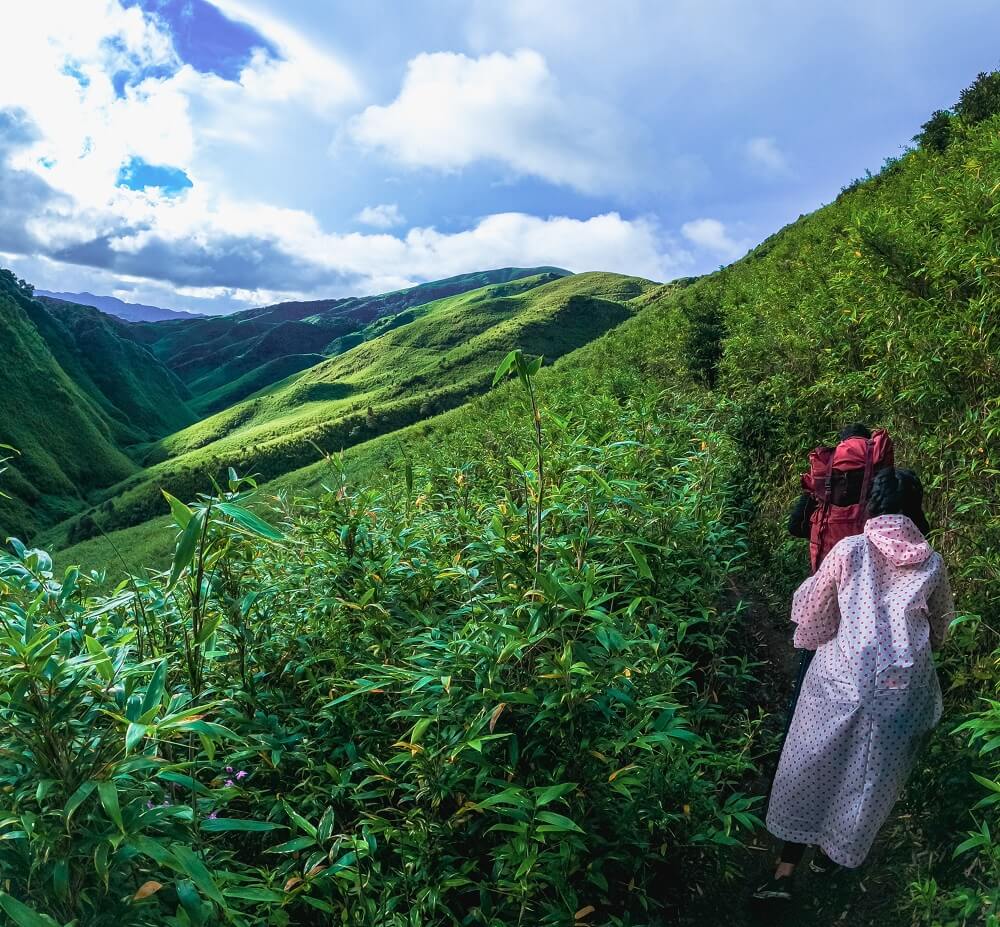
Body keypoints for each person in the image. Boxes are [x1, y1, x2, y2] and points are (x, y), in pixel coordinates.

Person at [755, 468, 954, 901]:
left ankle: (785, 871)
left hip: (840, 682)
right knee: (870, 777)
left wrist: (815, 638)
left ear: (873, 503)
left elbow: (813, 612)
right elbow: (942, 631)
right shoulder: (933, 562)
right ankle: (836, 853)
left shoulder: (851, 549)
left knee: (812, 767)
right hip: (904, 692)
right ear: (917, 509)